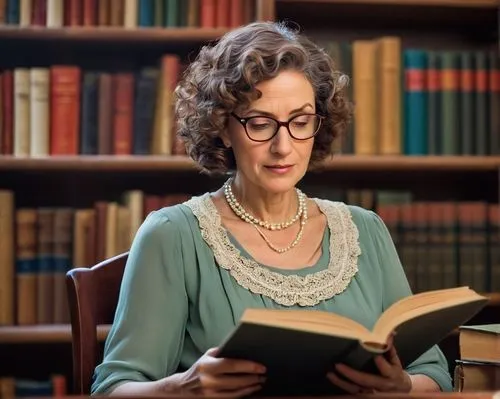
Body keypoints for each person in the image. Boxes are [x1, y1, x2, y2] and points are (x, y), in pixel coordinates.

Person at [90, 21, 452, 397]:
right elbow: (112, 389)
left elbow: (435, 375)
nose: (283, 146)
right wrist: (182, 388)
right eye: (260, 124)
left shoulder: (366, 230)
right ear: (223, 128)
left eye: (301, 122)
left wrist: (403, 386)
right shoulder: (172, 234)